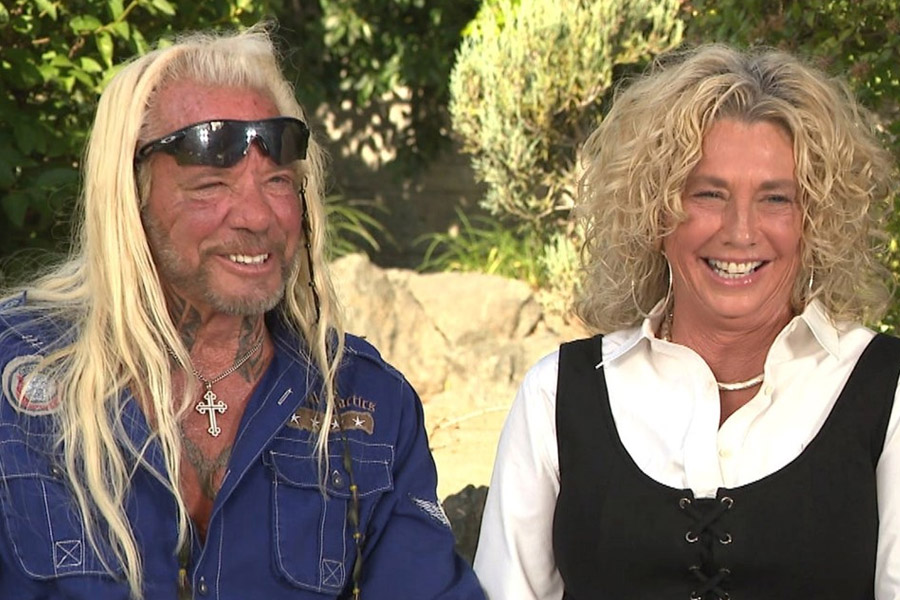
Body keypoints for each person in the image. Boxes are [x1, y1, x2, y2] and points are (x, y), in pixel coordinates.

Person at [0, 25, 485, 600]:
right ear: (130, 198)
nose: (257, 216)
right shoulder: (17, 384)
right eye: (211, 185)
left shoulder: (365, 404)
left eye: (278, 181)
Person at [474, 44, 900, 599]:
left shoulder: (887, 392)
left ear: (815, 220)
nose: (740, 231)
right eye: (709, 194)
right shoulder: (555, 396)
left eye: (775, 198)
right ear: (654, 211)